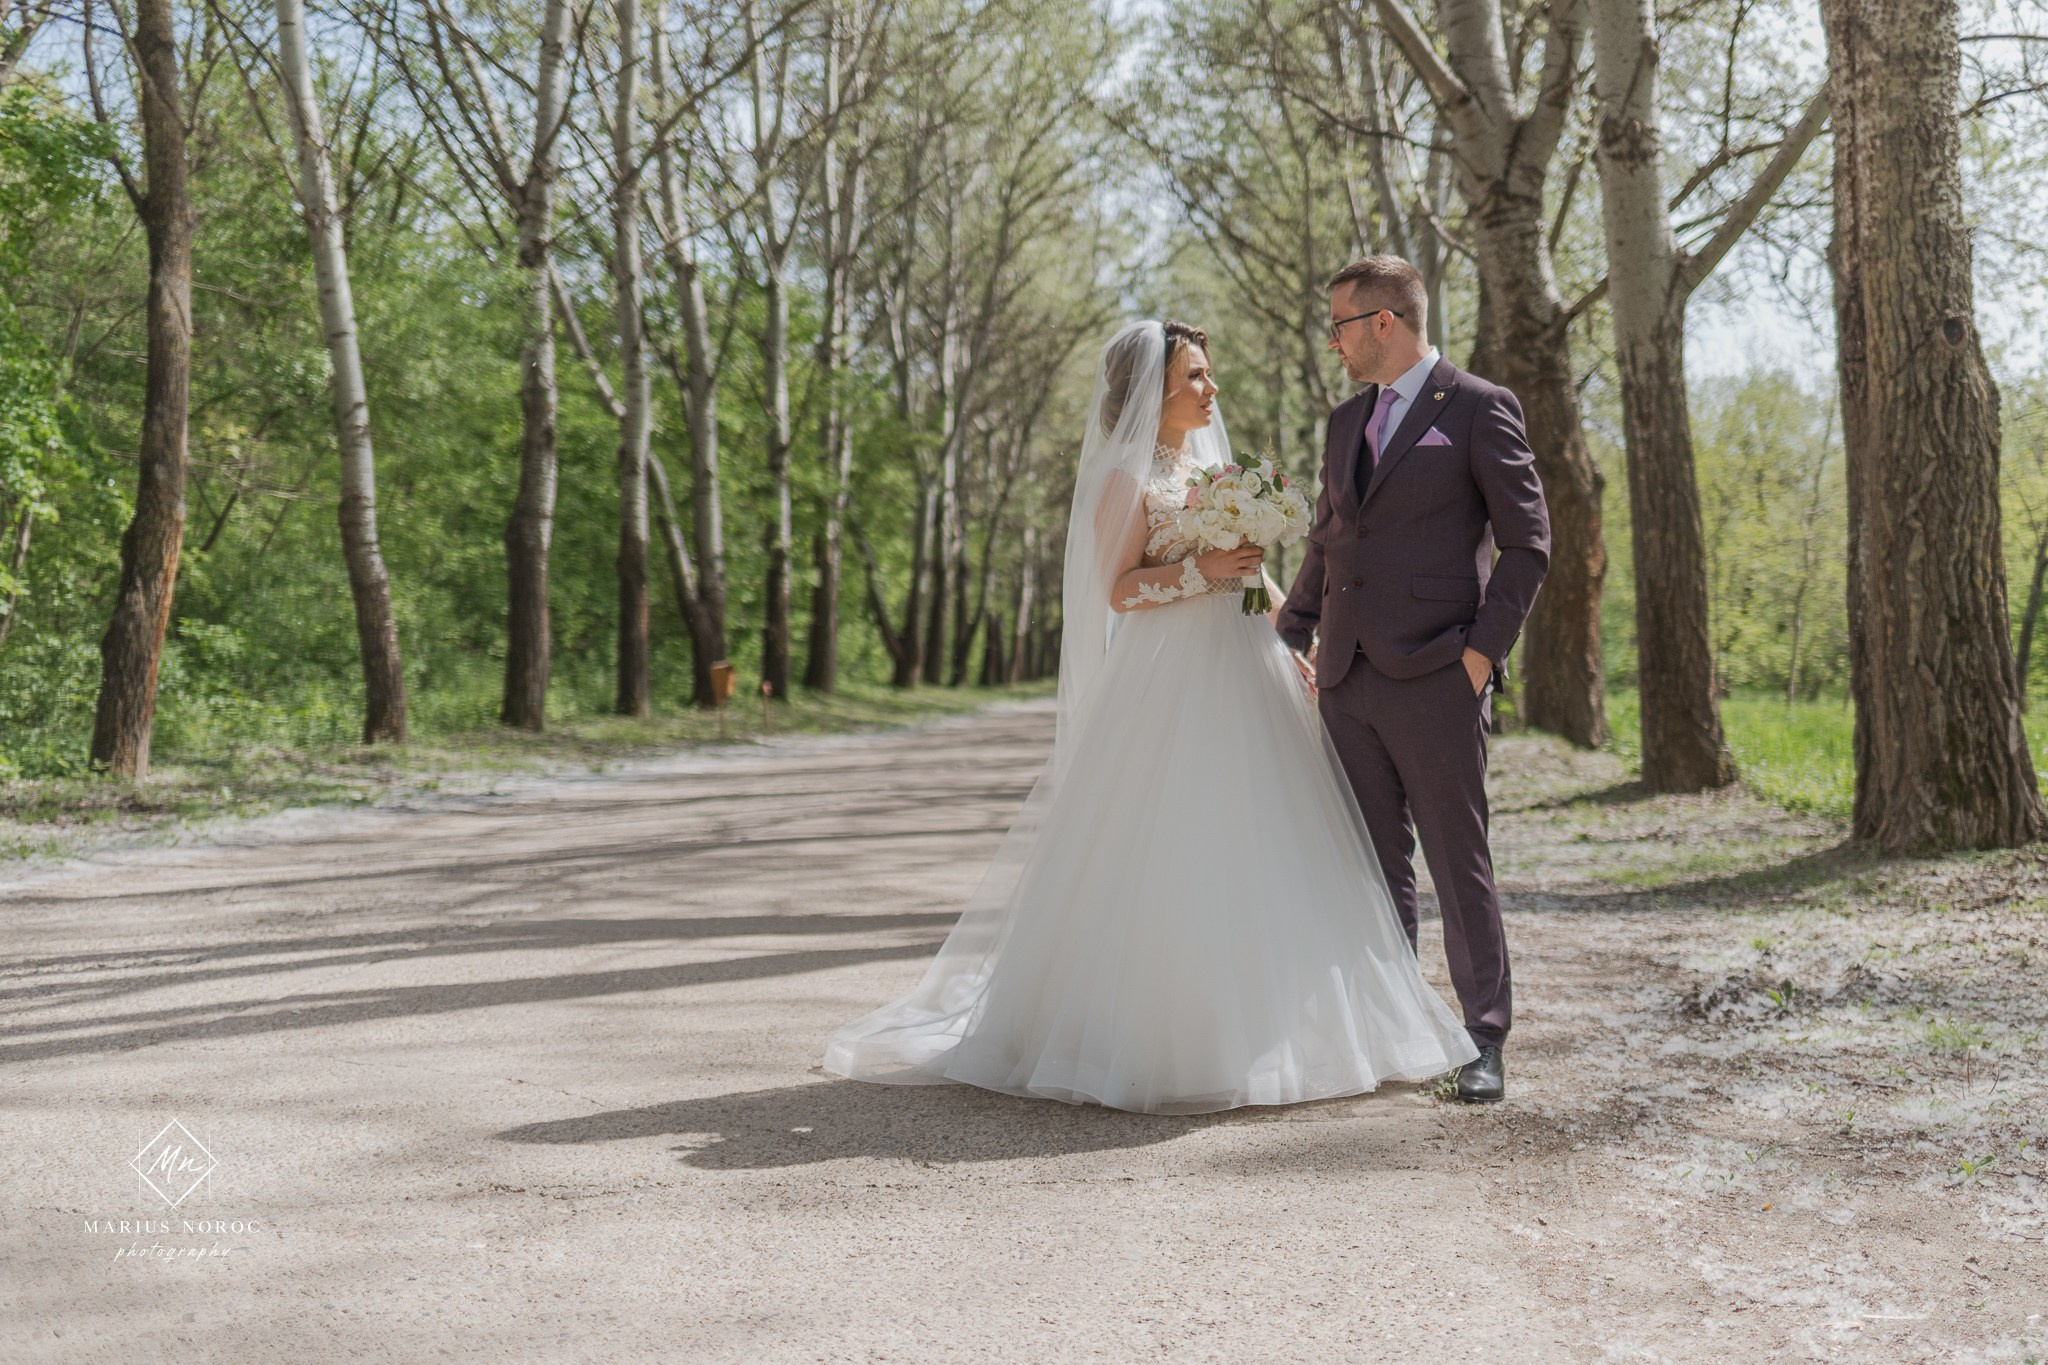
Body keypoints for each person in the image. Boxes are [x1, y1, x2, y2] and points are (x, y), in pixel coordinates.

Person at [822, 319, 1477, 1114]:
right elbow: (1120, 591)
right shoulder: (1123, 481)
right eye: (1194, 378)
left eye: (1207, 374)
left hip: (1247, 664)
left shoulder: (1214, 468)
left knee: (1273, 835)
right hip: (1167, 677)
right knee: (1174, 838)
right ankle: (1167, 1035)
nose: (1210, 389)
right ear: (1151, 395)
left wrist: (1289, 637)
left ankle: (1287, 1026)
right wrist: (1199, 571)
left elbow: (1252, 574)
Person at [1276, 256, 1551, 1103]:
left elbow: (1528, 543)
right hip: (1348, 675)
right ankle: (1392, 1029)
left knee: (1456, 858)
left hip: (1438, 671)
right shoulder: (1341, 422)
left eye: (1341, 326)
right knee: (1373, 863)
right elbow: (1330, 538)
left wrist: (1479, 656)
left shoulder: (1477, 408)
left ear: (1384, 322)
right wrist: (1290, 629)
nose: (1335, 343)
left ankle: (1484, 1039)